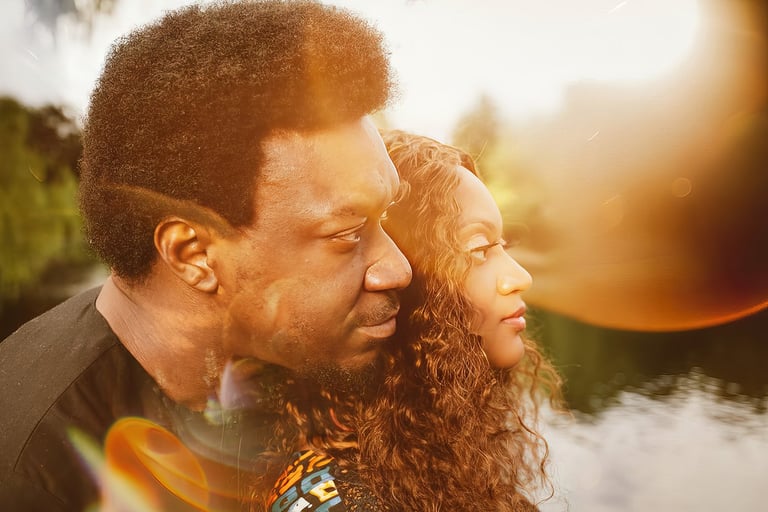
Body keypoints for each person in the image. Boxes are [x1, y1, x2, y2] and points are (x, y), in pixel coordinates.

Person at [0, 2, 410, 511]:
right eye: (347, 233)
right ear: (193, 255)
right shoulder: (33, 474)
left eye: (385, 218)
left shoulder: (284, 367)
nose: (398, 268)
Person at [269, 131, 563, 511]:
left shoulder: (422, 454)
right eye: (479, 250)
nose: (520, 277)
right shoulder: (338, 500)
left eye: (502, 246)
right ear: (401, 280)